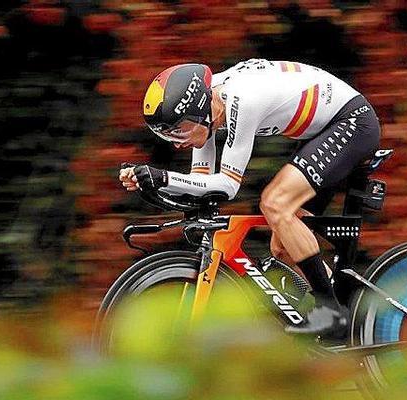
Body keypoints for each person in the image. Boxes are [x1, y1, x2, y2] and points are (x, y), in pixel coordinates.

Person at [119, 59, 381, 335]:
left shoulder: (242, 101)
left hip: (351, 122)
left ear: (199, 112)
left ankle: (330, 311)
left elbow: (226, 187)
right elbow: (202, 185)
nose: (176, 142)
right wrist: (149, 184)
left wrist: (163, 178)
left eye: (179, 130)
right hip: (324, 130)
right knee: (283, 248)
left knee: (274, 204)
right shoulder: (209, 106)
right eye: (167, 135)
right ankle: (351, 319)